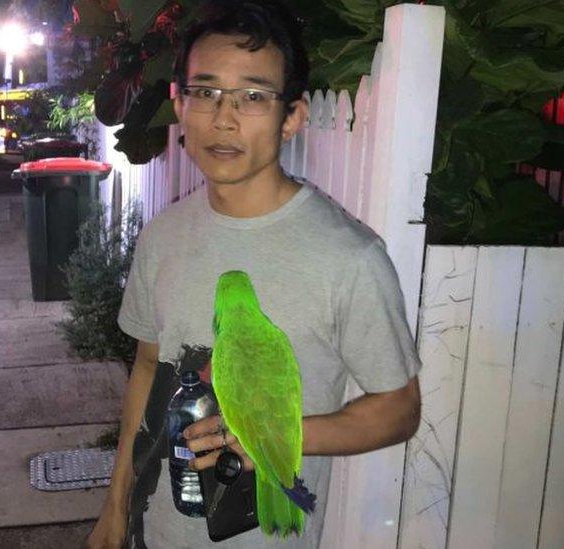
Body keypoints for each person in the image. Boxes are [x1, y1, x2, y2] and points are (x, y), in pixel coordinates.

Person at [86, 2, 422, 548]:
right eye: (206, 92)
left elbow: (399, 410)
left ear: (292, 115)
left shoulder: (349, 257)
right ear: (179, 104)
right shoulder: (163, 237)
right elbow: (148, 369)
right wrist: (115, 507)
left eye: (253, 97)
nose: (224, 118)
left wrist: (272, 437)